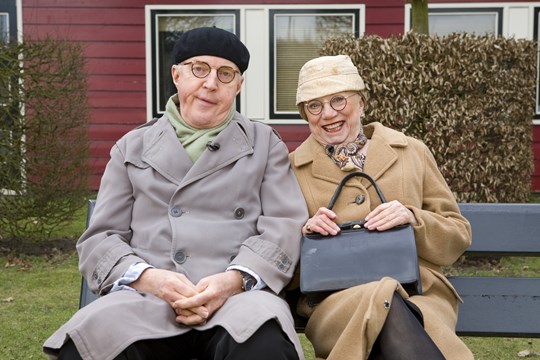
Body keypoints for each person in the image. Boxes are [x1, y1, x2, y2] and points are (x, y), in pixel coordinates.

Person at [43, 27, 308, 360]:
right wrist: (150, 279)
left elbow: (284, 225)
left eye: (225, 74)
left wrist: (234, 280)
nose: (210, 83)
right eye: (200, 69)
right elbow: (100, 238)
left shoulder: (264, 144)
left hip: (239, 298)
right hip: (147, 298)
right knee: (82, 349)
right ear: (177, 75)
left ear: (238, 86)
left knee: (264, 347)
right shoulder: (132, 147)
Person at [289, 54, 474, 360]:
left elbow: (457, 235)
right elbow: (281, 262)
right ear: (305, 114)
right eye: (314, 105)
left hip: (420, 293)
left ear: (361, 102)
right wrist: (306, 235)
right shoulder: (292, 169)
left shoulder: (411, 151)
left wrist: (413, 219)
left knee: (389, 309)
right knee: (384, 304)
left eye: (338, 100)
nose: (327, 114)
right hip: (335, 302)